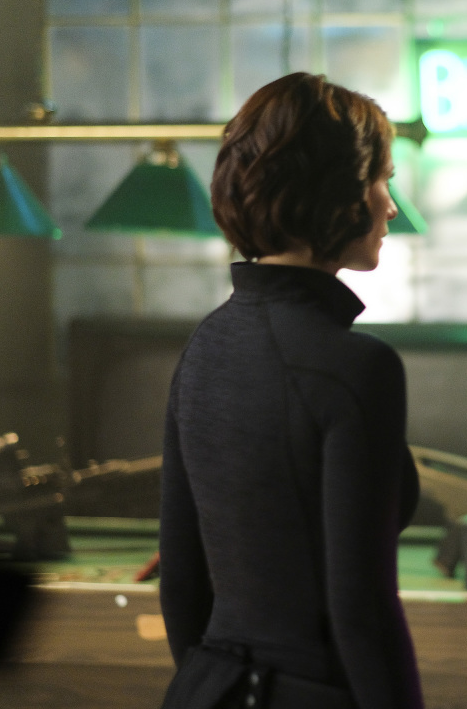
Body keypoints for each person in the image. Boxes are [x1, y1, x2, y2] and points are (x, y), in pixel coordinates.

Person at [159, 72, 423, 709]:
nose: (389, 206)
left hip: (207, 690)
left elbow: (180, 581)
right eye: (380, 180)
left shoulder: (205, 344)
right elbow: (361, 610)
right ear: (337, 192)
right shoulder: (356, 367)